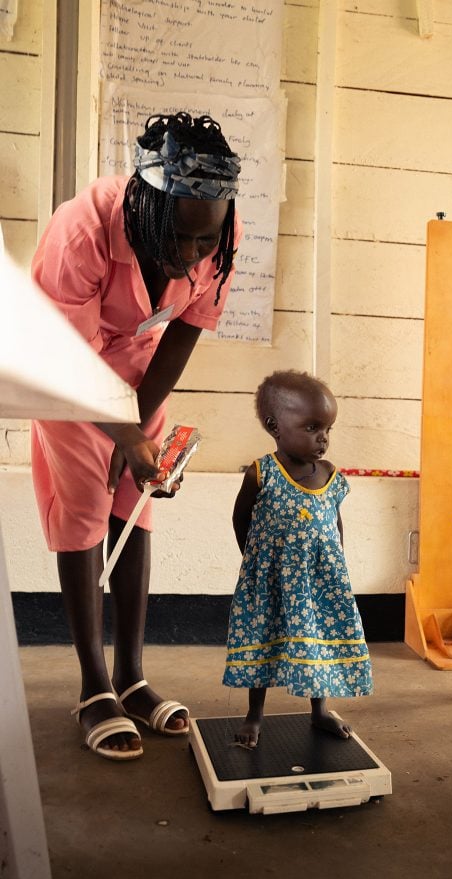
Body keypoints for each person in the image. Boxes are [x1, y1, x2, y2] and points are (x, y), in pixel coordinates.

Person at [31, 112, 242, 760]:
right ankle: (95, 685)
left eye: (203, 242)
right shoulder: (83, 231)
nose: (192, 255)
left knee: (135, 503)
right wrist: (120, 434)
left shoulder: (219, 229)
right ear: (146, 208)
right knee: (88, 509)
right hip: (65, 369)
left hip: (136, 369)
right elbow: (66, 357)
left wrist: (139, 435)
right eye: (179, 239)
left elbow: (185, 330)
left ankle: (132, 674)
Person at [223, 370, 373, 748]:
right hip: (269, 582)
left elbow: (335, 525)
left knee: (316, 643)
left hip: (318, 585)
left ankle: (319, 711)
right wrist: (256, 565)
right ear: (275, 426)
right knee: (263, 640)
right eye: (311, 427)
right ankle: (254, 716)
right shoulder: (263, 473)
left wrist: (336, 568)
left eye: (327, 429)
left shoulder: (330, 475)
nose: (323, 438)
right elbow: (241, 519)